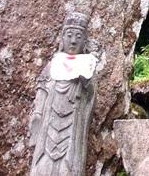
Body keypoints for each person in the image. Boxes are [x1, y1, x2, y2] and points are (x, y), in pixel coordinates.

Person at [29, 12, 99, 176]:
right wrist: (38, 113)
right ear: (62, 38)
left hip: (72, 125)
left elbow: (91, 96)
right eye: (69, 35)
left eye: (78, 37)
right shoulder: (54, 64)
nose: (73, 41)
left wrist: (85, 82)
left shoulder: (87, 66)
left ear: (85, 41)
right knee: (43, 164)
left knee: (68, 165)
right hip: (49, 123)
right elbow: (42, 88)